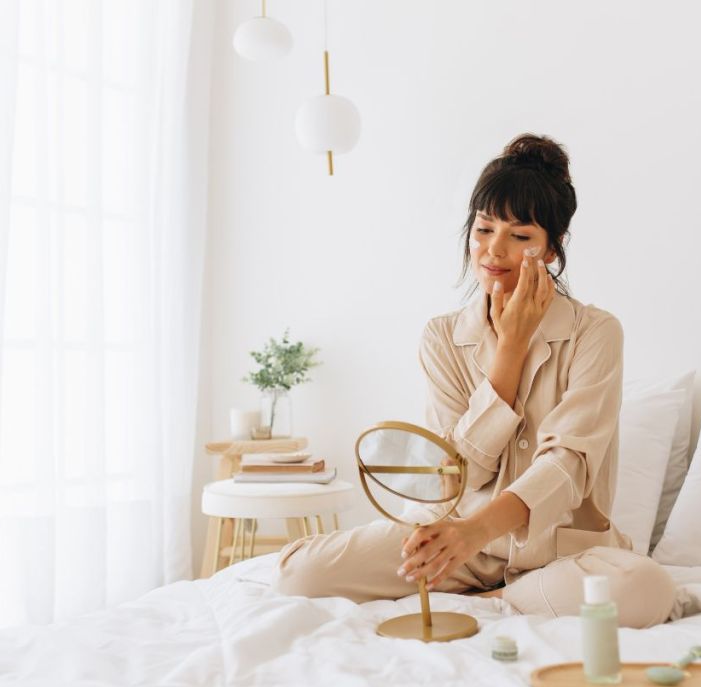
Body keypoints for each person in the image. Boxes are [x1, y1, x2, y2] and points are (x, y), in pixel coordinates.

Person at [273, 133, 675, 628]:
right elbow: (454, 473)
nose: (494, 251)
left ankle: (500, 601)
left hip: (562, 555)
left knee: (645, 589)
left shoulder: (595, 333)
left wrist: (474, 531)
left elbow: (568, 467)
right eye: (484, 229)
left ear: (552, 249)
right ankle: (512, 594)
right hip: (461, 544)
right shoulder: (442, 337)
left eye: (520, 236)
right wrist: (508, 350)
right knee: (299, 574)